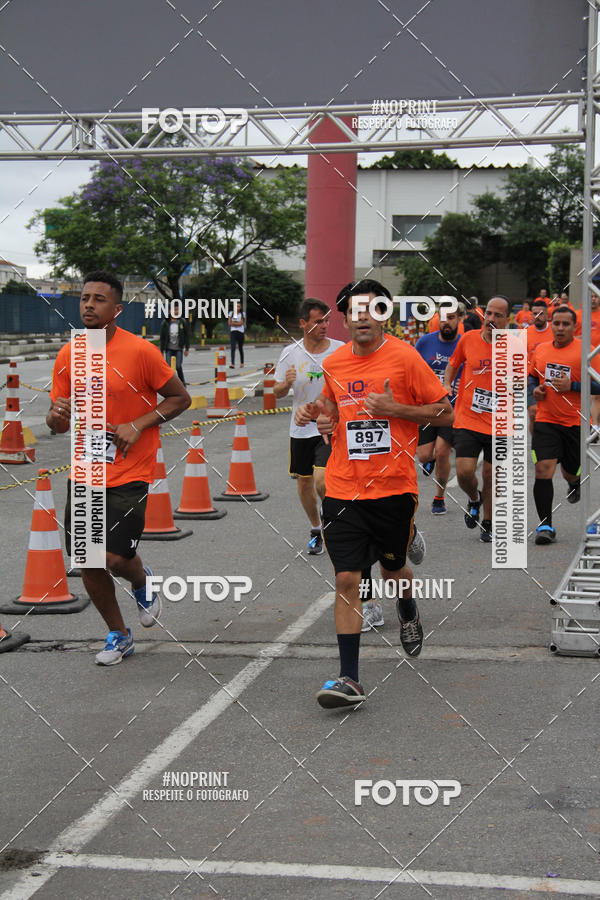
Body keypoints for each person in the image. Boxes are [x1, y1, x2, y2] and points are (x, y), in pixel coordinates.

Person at [295, 279, 453, 708]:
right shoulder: (336, 362)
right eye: (354, 310)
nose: (362, 316)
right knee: (347, 578)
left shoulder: (405, 359)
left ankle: (407, 607)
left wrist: (396, 410)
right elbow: (332, 408)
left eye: (372, 309)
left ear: (383, 315)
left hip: (393, 488)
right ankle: (349, 680)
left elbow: (445, 411)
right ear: (344, 318)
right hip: (344, 488)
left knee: (393, 572)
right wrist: (321, 417)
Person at [48, 271, 191, 665]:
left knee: (111, 557)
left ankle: (142, 581)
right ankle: (118, 634)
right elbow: (56, 421)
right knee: (88, 561)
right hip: (85, 471)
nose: (89, 305)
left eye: (98, 299)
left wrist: (138, 424)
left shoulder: (141, 351)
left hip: (131, 470)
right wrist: (56, 416)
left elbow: (180, 398)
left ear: (116, 309)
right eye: (84, 298)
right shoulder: (69, 355)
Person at [273, 298, 345, 554]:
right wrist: (285, 383)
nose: (325, 325)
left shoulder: (340, 351)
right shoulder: (290, 353)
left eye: (327, 320)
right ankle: (316, 528)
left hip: (329, 427)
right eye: (318, 321)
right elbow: (276, 392)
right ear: (304, 323)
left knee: (322, 481)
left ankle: (332, 521)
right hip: (300, 429)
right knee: (304, 484)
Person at [444, 296, 510, 544]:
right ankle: (474, 498)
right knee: (463, 472)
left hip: (499, 422)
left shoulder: (514, 345)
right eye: (489, 314)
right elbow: (453, 364)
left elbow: (524, 377)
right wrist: (447, 383)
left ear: (506, 320)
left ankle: (489, 521)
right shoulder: (468, 339)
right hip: (468, 418)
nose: (491, 319)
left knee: (492, 474)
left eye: (497, 316)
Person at [529, 306, 583, 544]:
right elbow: (532, 375)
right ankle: (545, 525)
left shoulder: (586, 352)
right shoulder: (541, 350)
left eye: (566, 324)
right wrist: (535, 391)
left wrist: (573, 387)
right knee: (543, 469)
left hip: (574, 421)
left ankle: (573, 481)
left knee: (571, 469)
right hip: (546, 420)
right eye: (557, 323)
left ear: (574, 327)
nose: (560, 328)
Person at [415, 304, 464, 514]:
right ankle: (430, 460)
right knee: (424, 455)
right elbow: (412, 367)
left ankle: (439, 497)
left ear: (459, 319)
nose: (447, 322)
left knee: (443, 451)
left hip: (451, 409)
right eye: (443, 318)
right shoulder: (425, 341)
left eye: (451, 318)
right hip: (427, 407)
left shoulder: (465, 343)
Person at [526, 300, 553, 433]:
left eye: (541, 314)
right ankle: (535, 449)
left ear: (547, 315)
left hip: (551, 377)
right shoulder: (526, 333)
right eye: (535, 313)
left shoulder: (554, 330)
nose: (537, 316)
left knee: (550, 416)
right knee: (533, 413)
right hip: (532, 379)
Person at [159, 306, 190, 386]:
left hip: (178, 348)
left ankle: (182, 383)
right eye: (174, 310)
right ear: (170, 311)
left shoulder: (182, 321)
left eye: (177, 309)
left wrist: (187, 348)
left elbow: (187, 335)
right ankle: (170, 385)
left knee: (178, 366)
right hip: (168, 349)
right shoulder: (165, 322)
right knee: (168, 368)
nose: (176, 311)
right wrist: (161, 351)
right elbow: (162, 337)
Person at [228, 304, 245, 369]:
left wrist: (234, 323)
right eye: (236, 306)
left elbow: (241, 323)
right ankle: (232, 363)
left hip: (240, 332)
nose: (237, 307)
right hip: (233, 332)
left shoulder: (243, 314)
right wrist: (237, 324)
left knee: (240, 348)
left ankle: (242, 363)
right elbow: (229, 323)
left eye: (239, 306)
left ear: (240, 307)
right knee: (233, 348)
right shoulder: (231, 313)